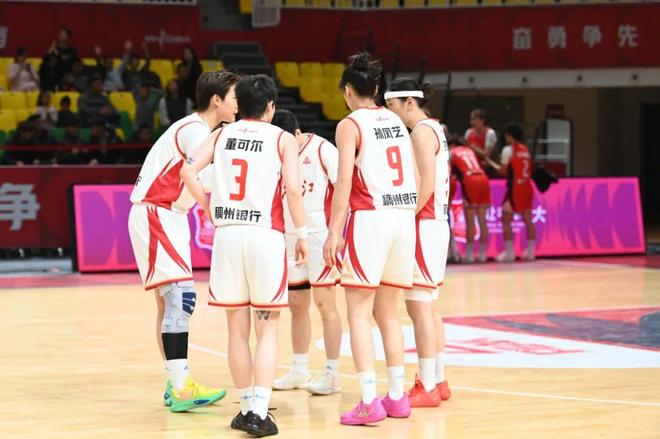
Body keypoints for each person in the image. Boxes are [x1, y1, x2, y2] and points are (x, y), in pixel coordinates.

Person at [180, 74, 308, 437]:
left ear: (240, 106)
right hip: (265, 235)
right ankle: (260, 413)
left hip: (228, 237)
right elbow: (293, 190)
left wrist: (207, 207)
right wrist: (301, 234)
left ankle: (246, 406)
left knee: (236, 330)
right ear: (270, 106)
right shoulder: (282, 138)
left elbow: (187, 170)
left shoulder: (221, 134)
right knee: (267, 327)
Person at [127, 70, 239, 413]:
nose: (238, 104)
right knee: (180, 298)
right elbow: (199, 176)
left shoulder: (199, 129)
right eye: (234, 97)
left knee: (169, 304)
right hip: (158, 212)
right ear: (217, 100)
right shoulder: (195, 130)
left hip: (166, 214)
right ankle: (180, 387)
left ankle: (175, 383)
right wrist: (211, 210)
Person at [323, 53, 417, 426]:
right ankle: (396, 396)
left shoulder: (350, 124)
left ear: (348, 91)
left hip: (372, 217)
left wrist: (334, 231)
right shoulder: (395, 119)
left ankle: (367, 400)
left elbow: (344, 181)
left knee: (359, 313)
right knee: (389, 313)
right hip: (403, 218)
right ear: (376, 88)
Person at [384, 78, 452, 408]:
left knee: (419, 309)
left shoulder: (421, 133)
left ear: (409, 103)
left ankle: (426, 385)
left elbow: (425, 183)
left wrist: (407, 217)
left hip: (424, 224)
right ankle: (438, 379)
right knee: (430, 307)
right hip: (436, 224)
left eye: (392, 107)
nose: (390, 113)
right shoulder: (435, 128)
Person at [270, 109, 343, 396]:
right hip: (288, 237)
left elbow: (344, 190)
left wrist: (336, 233)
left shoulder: (323, 149)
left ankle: (332, 374)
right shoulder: (274, 151)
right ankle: (300, 369)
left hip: (317, 236)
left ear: (298, 134)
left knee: (326, 305)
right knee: (296, 305)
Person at [486, 123, 536, 262]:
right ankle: (531, 252)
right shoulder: (526, 150)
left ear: (509, 135)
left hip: (515, 189)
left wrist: (490, 163)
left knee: (506, 219)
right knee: (528, 219)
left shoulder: (508, 150)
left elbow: (503, 171)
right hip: (527, 187)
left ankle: (509, 252)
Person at [449, 136, 490, 263]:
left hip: (470, 180)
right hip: (483, 178)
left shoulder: (452, 152)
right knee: (482, 220)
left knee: (470, 220)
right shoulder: (470, 150)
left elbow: (448, 171)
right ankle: (482, 254)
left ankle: (469, 254)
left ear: (452, 145)